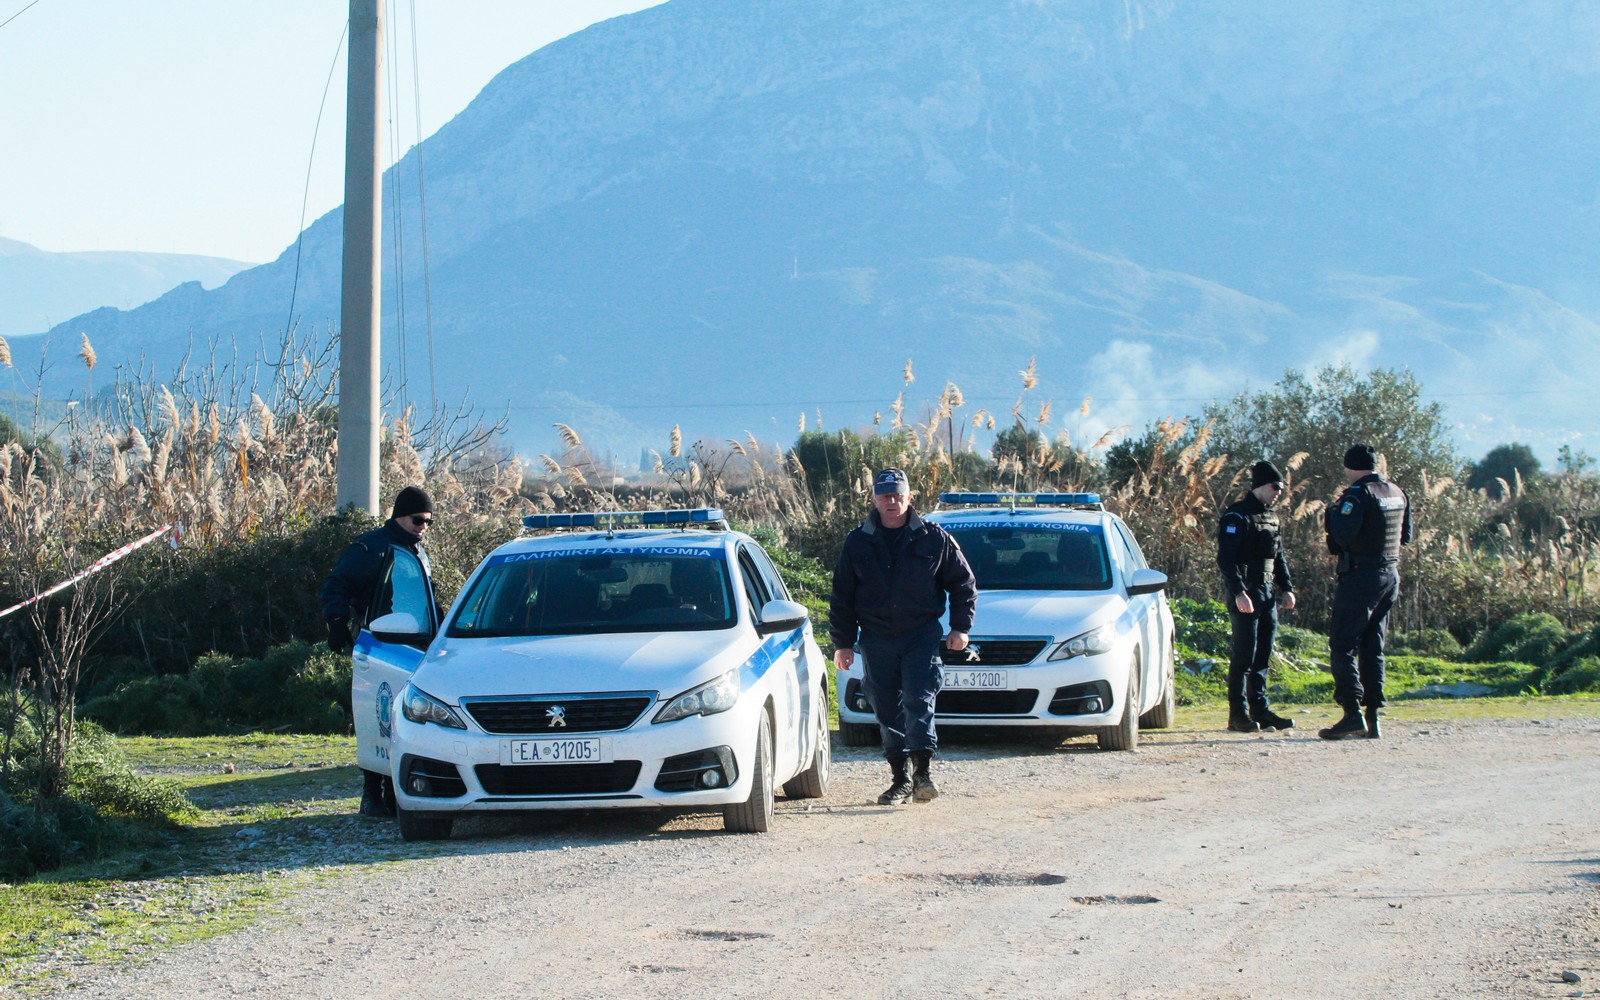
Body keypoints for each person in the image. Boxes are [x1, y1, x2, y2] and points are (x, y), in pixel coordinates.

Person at [829, 468, 977, 805]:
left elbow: (963, 584)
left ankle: (923, 774)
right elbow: (842, 596)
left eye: (898, 495)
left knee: (918, 699)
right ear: (874, 499)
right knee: (884, 707)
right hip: (877, 637)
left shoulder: (934, 538)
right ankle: (900, 779)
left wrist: (960, 627)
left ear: (910, 497)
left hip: (920, 635)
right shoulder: (858, 541)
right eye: (885, 495)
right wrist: (842, 643)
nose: (892, 501)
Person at [321, 485, 440, 815]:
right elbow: (337, 584)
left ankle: (392, 793)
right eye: (418, 520)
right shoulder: (371, 548)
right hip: (377, 644)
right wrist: (336, 622)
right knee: (377, 718)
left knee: (402, 721)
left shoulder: (414, 551)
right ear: (401, 516)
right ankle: (372, 794)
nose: (423, 527)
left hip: (414, 646)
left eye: (429, 522)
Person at [1320, 445, 1412, 740]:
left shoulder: (1357, 495)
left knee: (1343, 644)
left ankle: (1351, 712)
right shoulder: (1397, 492)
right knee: (1373, 646)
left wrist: (1332, 517)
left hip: (1361, 576)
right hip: (1390, 574)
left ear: (1350, 467)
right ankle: (1372, 716)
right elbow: (1405, 537)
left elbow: (1342, 538)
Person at [1217, 460, 1298, 733]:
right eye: (1275, 487)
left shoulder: (1272, 517)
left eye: (1281, 488)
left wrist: (1286, 588)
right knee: (1244, 656)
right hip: (1246, 591)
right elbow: (1226, 559)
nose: (1279, 492)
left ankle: (1260, 711)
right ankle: (1237, 715)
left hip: (1266, 591)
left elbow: (1279, 557)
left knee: (1263, 653)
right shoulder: (1236, 516)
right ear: (1261, 486)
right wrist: (1239, 591)